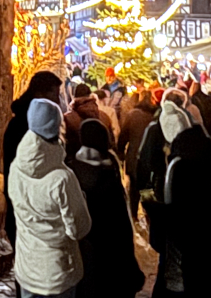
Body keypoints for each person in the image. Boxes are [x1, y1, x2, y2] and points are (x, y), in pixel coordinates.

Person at [8, 98, 92, 298]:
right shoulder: (62, 178)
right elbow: (79, 228)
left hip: (27, 267)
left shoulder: (16, 167)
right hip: (58, 272)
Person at [144, 102, 211, 297]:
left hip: (182, 260)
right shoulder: (203, 156)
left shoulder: (179, 166)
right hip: (206, 252)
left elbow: (175, 218)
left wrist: (155, 212)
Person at [4, 71, 63, 298]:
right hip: (30, 208)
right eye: (54, 95)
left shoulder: (20, 124)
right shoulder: (27, 128)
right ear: (40, 94)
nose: (58, 101)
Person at [71, 119, 145, 297]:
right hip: (112, 254)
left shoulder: (72, 171)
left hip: (84, 254)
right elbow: (122, 225)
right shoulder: (109, 172)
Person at [118, 91, 158, 220]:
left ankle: (134, 215)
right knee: (148, 188)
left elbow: (123, 136)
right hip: (150, 158)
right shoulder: (155, 116)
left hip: (135, 157)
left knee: (134, 189)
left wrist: (120, 153)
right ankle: (149, 214)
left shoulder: (132, 115)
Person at [63, 84, 111, 159]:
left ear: (74, 98)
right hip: (101, 165)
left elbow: (65, 145)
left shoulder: (68, 118)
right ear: (90, 96)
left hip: (76, 164)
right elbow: (111, 144)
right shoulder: (104, 117)